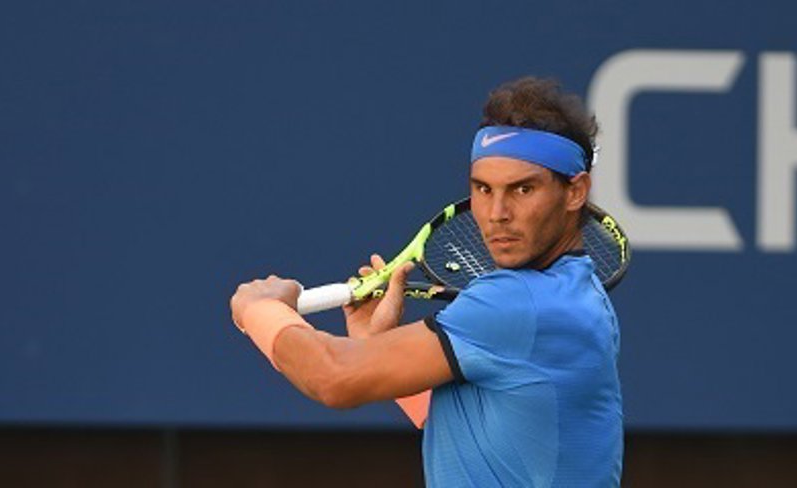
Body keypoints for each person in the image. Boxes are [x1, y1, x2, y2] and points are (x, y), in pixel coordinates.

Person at [230, 77, 623, 487]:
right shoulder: (577, 295)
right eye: (483, 189)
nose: (497, 212)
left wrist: (260, 310)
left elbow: (332, 377)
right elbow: (492, 430)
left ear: (575, 191)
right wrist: (374, 340)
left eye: (523, 189)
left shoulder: (519, 301)